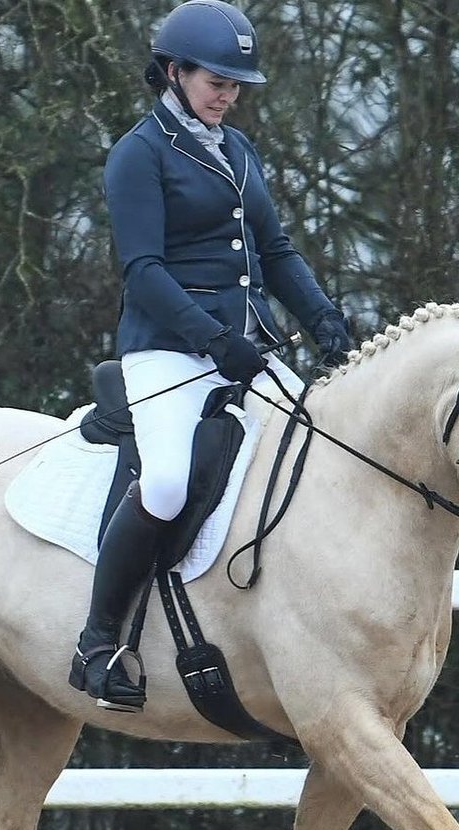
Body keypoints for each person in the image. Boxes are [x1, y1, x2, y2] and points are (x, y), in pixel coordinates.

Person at [69, 0, 352, 712]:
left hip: (242, 350)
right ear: (174, 71)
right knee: (165, 485)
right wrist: (210, 337)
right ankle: (99, 641)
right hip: (167, 352)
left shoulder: (239, 149)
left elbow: (275, 251)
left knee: (320, 451)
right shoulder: (139, 153)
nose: (227, 94)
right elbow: (143, 270)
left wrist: (324, 322)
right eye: (215, 80)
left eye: (236, 84)